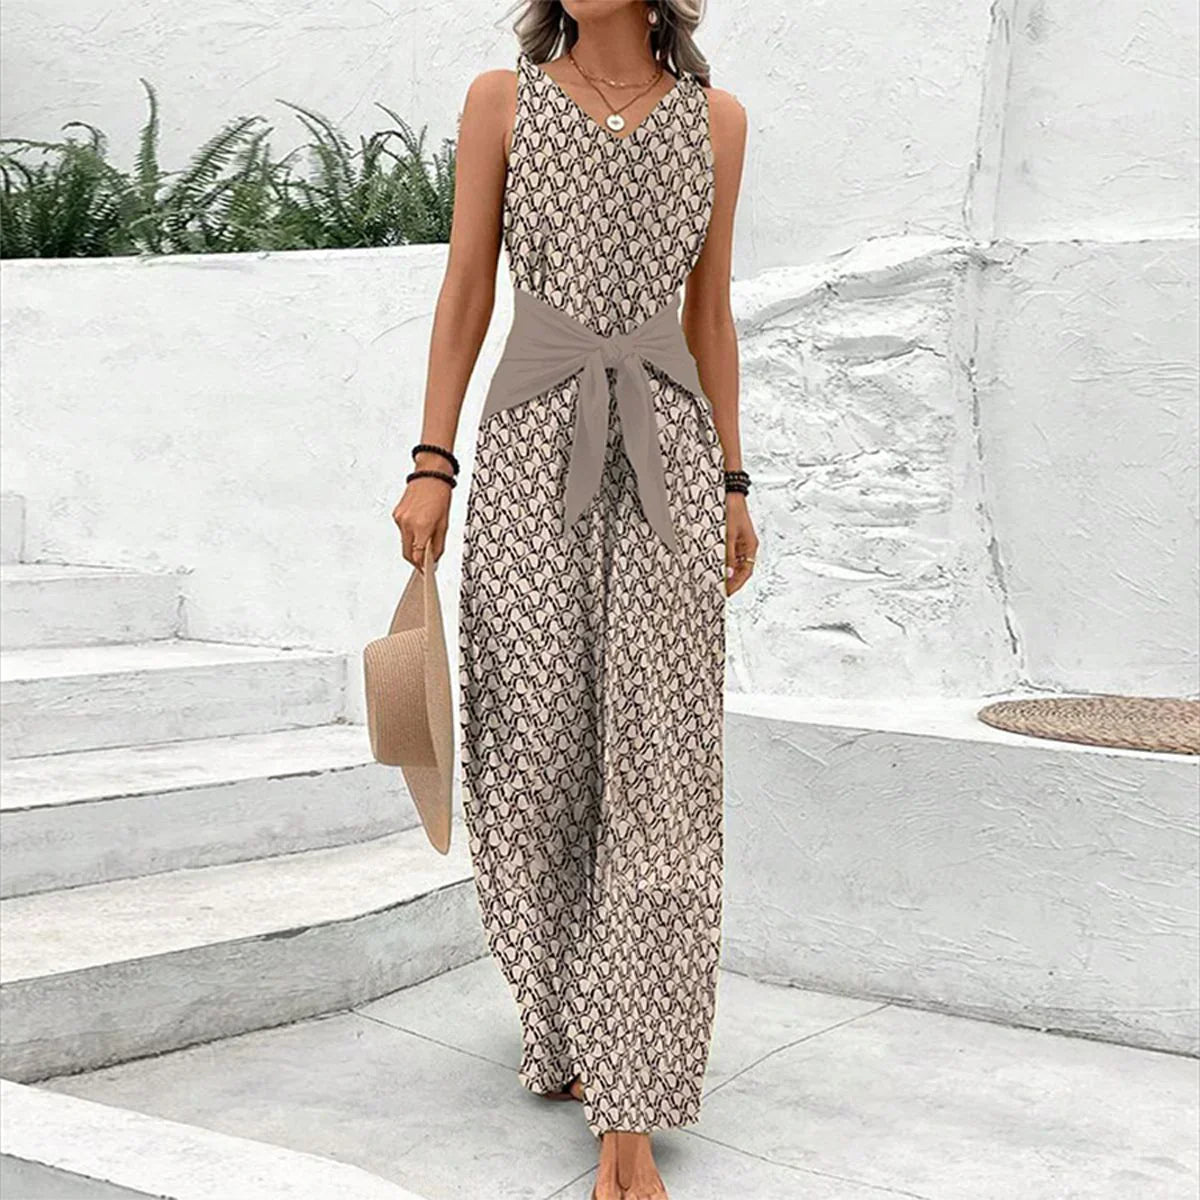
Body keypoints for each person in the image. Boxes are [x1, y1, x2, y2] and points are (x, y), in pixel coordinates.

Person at [392, 3, 752, 1196]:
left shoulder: (717, 122)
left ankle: (630, 1106)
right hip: (529, 450)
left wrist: (736, 483)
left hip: (669, 464)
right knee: (532, 761)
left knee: (656, 773)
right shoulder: (502, 101)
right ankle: (565, 1024)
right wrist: (432, 462)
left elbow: (709, 314)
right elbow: (465, 290)